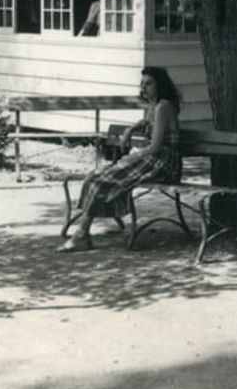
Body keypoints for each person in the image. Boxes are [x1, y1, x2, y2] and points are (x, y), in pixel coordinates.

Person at [57, 66, 182, 252]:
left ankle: (81, 235)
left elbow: (155, 146)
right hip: (152, 160)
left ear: (160, 85)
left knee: (101, 181)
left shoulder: (163, 106)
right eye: (142, 84)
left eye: (149, 83)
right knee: (94, 177)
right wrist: (130, 131)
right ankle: (83, 232)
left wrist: (130, 159)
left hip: (164, 164)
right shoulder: (154, 106)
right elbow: (146, 122)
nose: (144, 88)